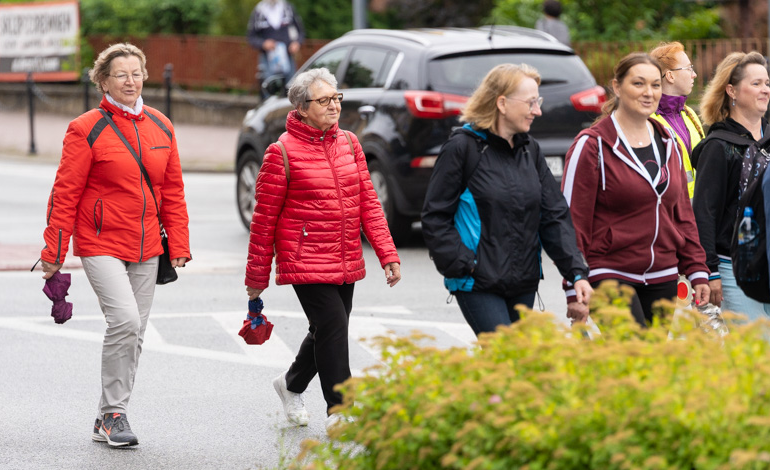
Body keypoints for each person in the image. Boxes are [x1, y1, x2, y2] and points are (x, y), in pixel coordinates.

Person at [39, 43, 190, 448]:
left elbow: (172, 190)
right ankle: (114, 416)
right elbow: (65, 193)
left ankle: (110, 413)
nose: (130, 81)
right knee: (124, 320)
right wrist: (53, 253)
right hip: (100, 240)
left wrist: (179, 242)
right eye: (120, 74)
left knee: (135, 331)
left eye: (136, 73)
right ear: (103, 80)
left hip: (147, 245)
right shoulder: (86, 128)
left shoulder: (161, 125)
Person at [244, 68, 401, 430]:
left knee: (327, 329)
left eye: (337, 98)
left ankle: (291, 384)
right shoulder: (279, 152)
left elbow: (368, 203)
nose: (334, 106)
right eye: (324, 100)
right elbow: (264, 219)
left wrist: (387, 253)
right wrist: (257, 278)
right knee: (332, 324)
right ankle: (340, 410)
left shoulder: (349, 143)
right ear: (301, 107)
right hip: (305, 258)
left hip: (345, 253)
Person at [421, 63, 592, 336]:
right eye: (531, 102)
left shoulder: (529, 149)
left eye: (539, 101)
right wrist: (465, 264)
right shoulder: (462, 148)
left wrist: (576, 273)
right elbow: (435, 217)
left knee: (518, 368)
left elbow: (553, 215)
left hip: (523, 281)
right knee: (502, 356)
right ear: (502, 103)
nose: (537, 110)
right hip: (477, 282)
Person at [562, 52, 710, 327]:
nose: (648, 93)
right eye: (638, 84)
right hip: (609, 272)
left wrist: (697, 269)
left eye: (655, 85)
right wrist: (574, 281)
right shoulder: (592, 145)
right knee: (634, 354)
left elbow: (682, 214)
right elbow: (572, 220)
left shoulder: (668, 143)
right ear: (617, 87)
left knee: (649, 366)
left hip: (662, 274)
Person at [691, 51, 770, 320]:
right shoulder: (718, 146)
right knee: (756, 352)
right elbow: (704, 213)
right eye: (756, 83)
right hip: (733, 268)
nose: (765, 90)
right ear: (731, 90)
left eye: (767, 83)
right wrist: (709, 271)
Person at [649, 42, 704, 200]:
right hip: (668, 212)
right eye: (688, 68)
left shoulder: (689, 114)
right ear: (670, 76)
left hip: (698, 209)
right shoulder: (648, 120)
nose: (694, 74)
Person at [247, 0, 305, 96]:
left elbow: (301, 32)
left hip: (287, 57)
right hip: (268, 58)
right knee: (269, 88)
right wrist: (263, 44)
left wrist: (296, 43)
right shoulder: (259, 11)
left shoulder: (287, 8)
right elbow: (251, 37)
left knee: (292, 88)